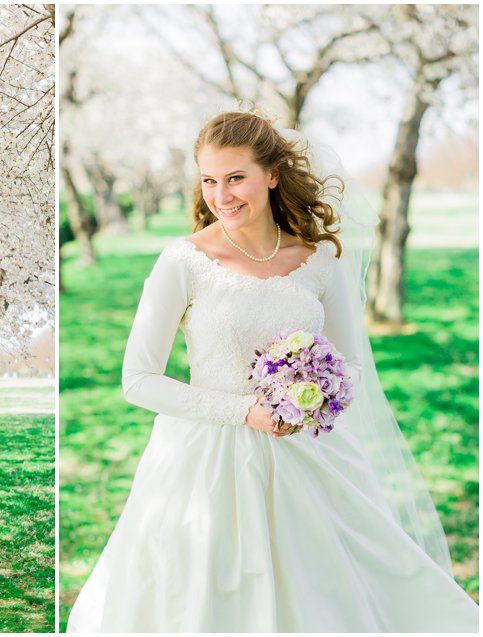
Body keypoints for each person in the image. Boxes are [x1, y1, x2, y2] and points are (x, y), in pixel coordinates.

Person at [66, 111, 478, 632]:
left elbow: (351, 363)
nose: (222, 195)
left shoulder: (319, 260)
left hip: (309, 453)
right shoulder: (183, 262)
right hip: (206, 462)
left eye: (236, 177)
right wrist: (247, 411)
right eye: (210, 180)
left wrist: (315, 391)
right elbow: (138, 379)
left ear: (272, 175)